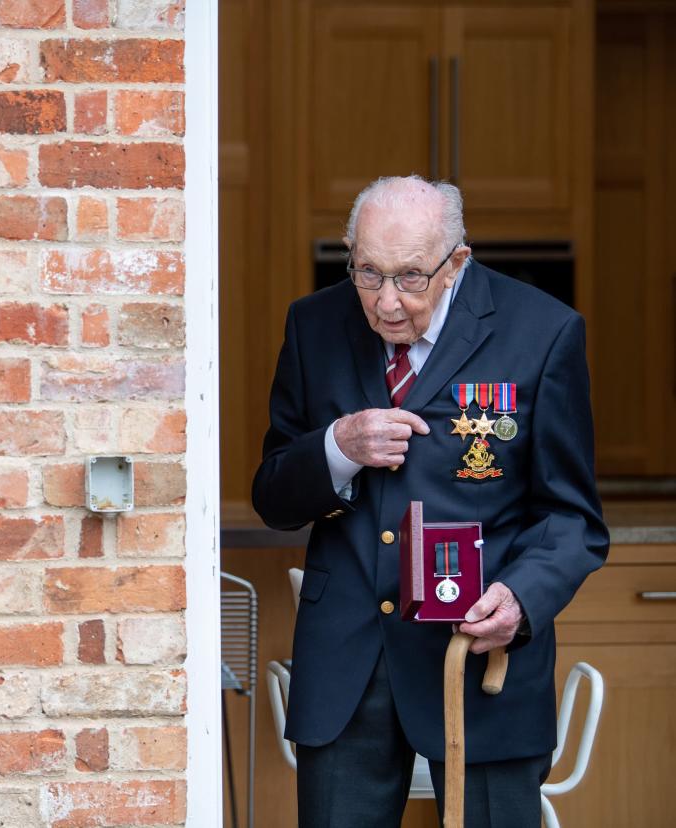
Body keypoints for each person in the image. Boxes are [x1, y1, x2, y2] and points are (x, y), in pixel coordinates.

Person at [253, 175, 607, 827]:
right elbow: (273, 494)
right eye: (367, 273)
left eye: (410, 277)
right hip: (348, 668)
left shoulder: (543, 332)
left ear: (457, 263)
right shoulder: (314, 325)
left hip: (477, 662)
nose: (386, 301)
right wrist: (335, 447)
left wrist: (522, 599)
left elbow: (572, 519)